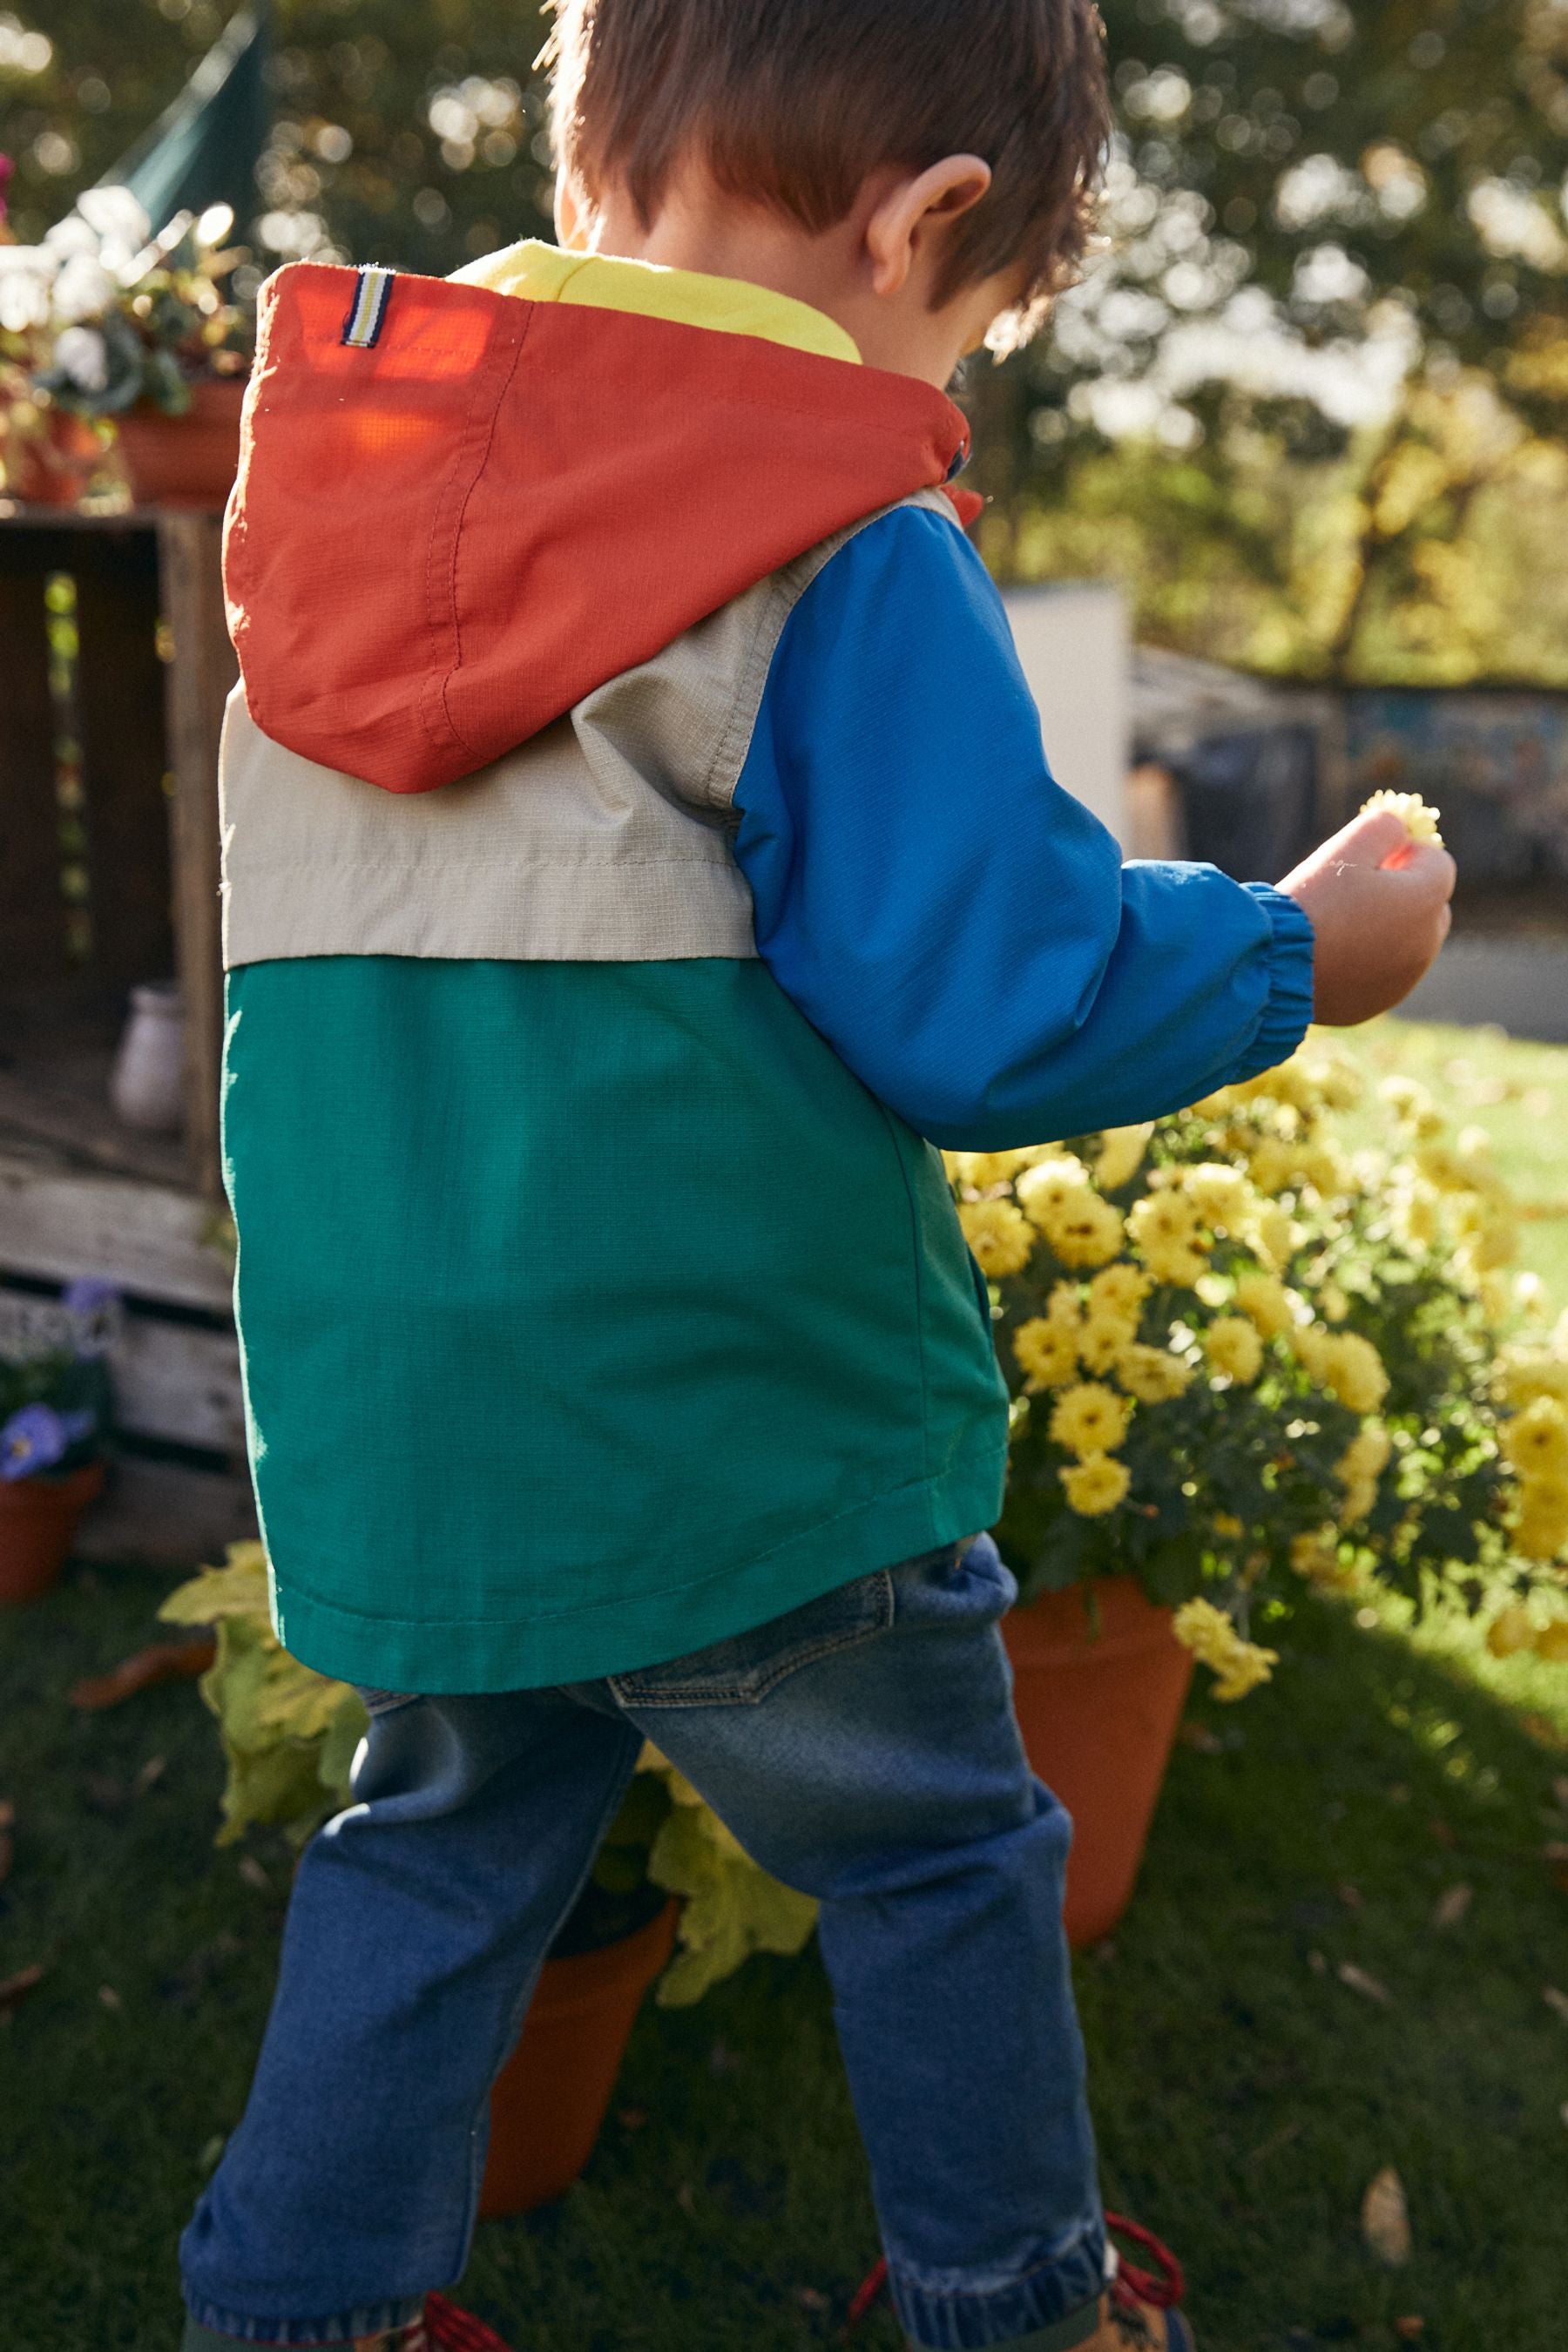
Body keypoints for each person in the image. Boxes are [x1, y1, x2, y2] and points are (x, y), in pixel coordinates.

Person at [182, 3, 1456, 2346]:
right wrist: (1300, 949)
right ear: (924, 220)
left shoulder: (328, 520)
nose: (937, 391)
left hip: (422, 1435)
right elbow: (989, 990)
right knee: (945, 1856)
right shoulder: (826, 523)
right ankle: (1015, 2300)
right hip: (738, 1423)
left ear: (587, 146)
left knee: (436, 1857)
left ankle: (294, 2310)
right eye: (961, 337)